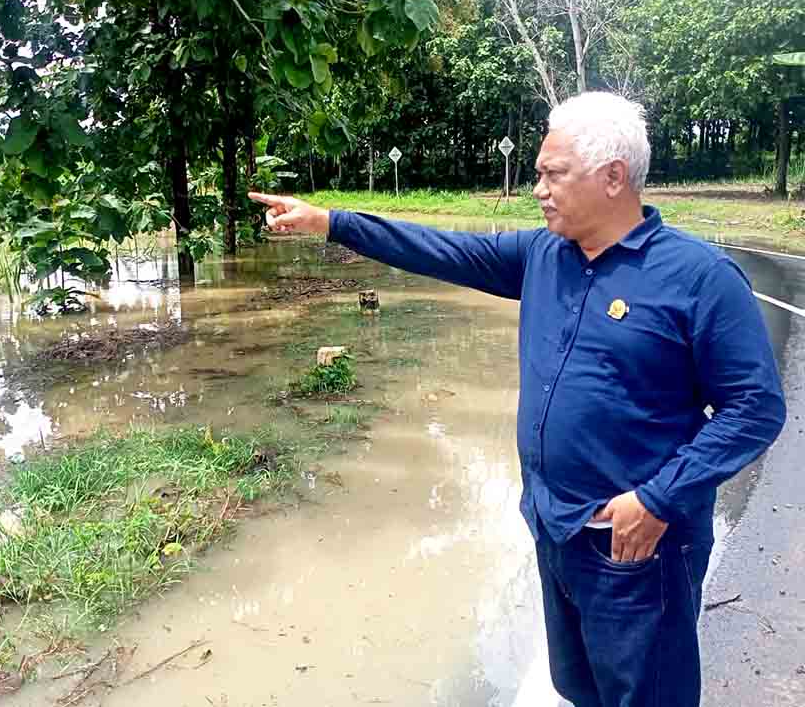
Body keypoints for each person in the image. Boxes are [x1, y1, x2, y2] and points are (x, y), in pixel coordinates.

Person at [248, 91, 787, 707]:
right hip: (556, 528)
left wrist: (659, 499)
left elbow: (755, 409)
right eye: (538, 173)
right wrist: (330, 222)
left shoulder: (699, 278)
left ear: (613, 178)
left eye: (553, 174)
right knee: (580, 688)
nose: (539, 188)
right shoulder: (543, 256)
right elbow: (440, 249)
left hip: (638, 544)